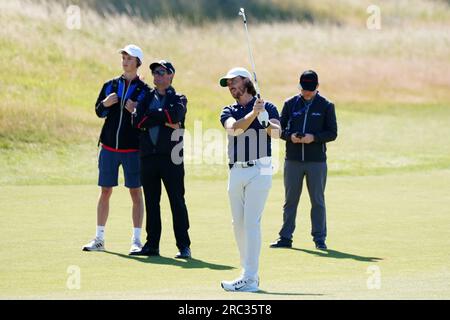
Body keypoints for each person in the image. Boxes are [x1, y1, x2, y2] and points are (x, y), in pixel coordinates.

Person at [219, 67, 281, 292]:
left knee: (251, 222)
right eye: (227, 84)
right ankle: (248, 272)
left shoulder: (268, 106)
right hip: (236, 169)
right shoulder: (229, 109)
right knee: (238, 224)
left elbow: (277, 133)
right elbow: (233, 129)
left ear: (246, 81)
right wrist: (253, 114)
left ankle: (250, 277)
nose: (230, 86)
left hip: (261, 168)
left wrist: (264, 120)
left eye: (233, 81)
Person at [83, 45, 149, 254]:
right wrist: (105, 103)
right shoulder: (110, 85)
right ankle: (99, 239)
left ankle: (136, 241)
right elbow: (98, 111)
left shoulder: (145, 91)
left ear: (138, 62)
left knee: (136, 193)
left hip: (132, 150)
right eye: (123, 57)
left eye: (129, 58)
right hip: (109, 148)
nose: (125, 61)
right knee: (105, 191)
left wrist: (136, 111)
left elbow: (146, 121)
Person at [129, 60, 192, 259]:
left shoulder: (179, 98)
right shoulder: (146, 96)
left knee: (176, 201)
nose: (158, 76)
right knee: (152, 201)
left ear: (171, 75)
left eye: (162, 72)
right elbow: (137, 120)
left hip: (172, 157)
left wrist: (154, 117)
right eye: (155, 73)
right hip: (149, 156)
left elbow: (175, 116)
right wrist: (163, 119)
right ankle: (152, 244)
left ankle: (184, 246)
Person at [270, 70, 338, 251]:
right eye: (304, 89)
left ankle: (319, 239)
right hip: (292, 160)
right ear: (299, 86)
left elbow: (332, 133)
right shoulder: (290, 104)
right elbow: (279, 130)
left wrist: (313, 138)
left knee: (317, 200)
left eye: (310, 89)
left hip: (316, 161)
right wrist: (290, 136)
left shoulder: (326, 105)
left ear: (317, 87)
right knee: (290, 200)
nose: (306, 92)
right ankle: (285, 237)